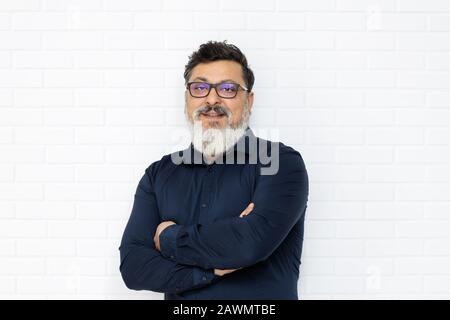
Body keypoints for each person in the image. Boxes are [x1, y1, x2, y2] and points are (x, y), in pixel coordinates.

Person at [119, 40, 309, 300]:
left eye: (228, 89)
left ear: (249, 100)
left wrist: (169, 238)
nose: (211, 99)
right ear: (187, 98)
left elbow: (249, 244)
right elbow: (134, 267)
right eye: (199, 88)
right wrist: (213, 270)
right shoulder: (158, 174)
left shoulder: (280, 163)